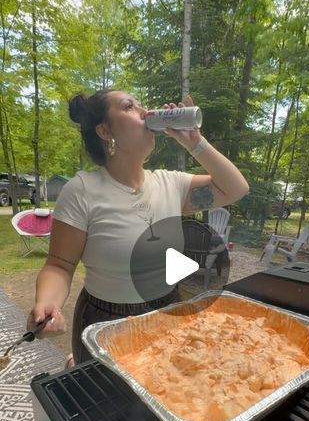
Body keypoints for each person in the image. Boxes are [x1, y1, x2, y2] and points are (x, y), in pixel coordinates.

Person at [26, 90, 249, 365]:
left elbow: (236, 188)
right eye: (129, 106)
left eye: (140, 104)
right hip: (106, 320)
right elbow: (59, 265)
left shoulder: (172, 185)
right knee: (107, 403)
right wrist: (49, 303)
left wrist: (195, 142)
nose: (144, 111)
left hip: (167, 311)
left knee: (162, 393)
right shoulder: (82, 191)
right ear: (105, 131)